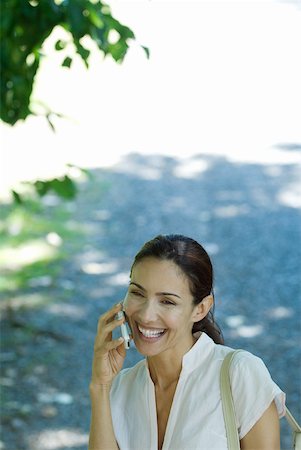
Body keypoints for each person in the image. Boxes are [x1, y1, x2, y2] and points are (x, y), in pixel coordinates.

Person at [88, 234, 285, 450]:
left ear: (200, 308)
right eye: (137, 293)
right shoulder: (120, 387)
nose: (145, 315)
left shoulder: (241, 374)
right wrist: (101, 386)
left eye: (167, 301)